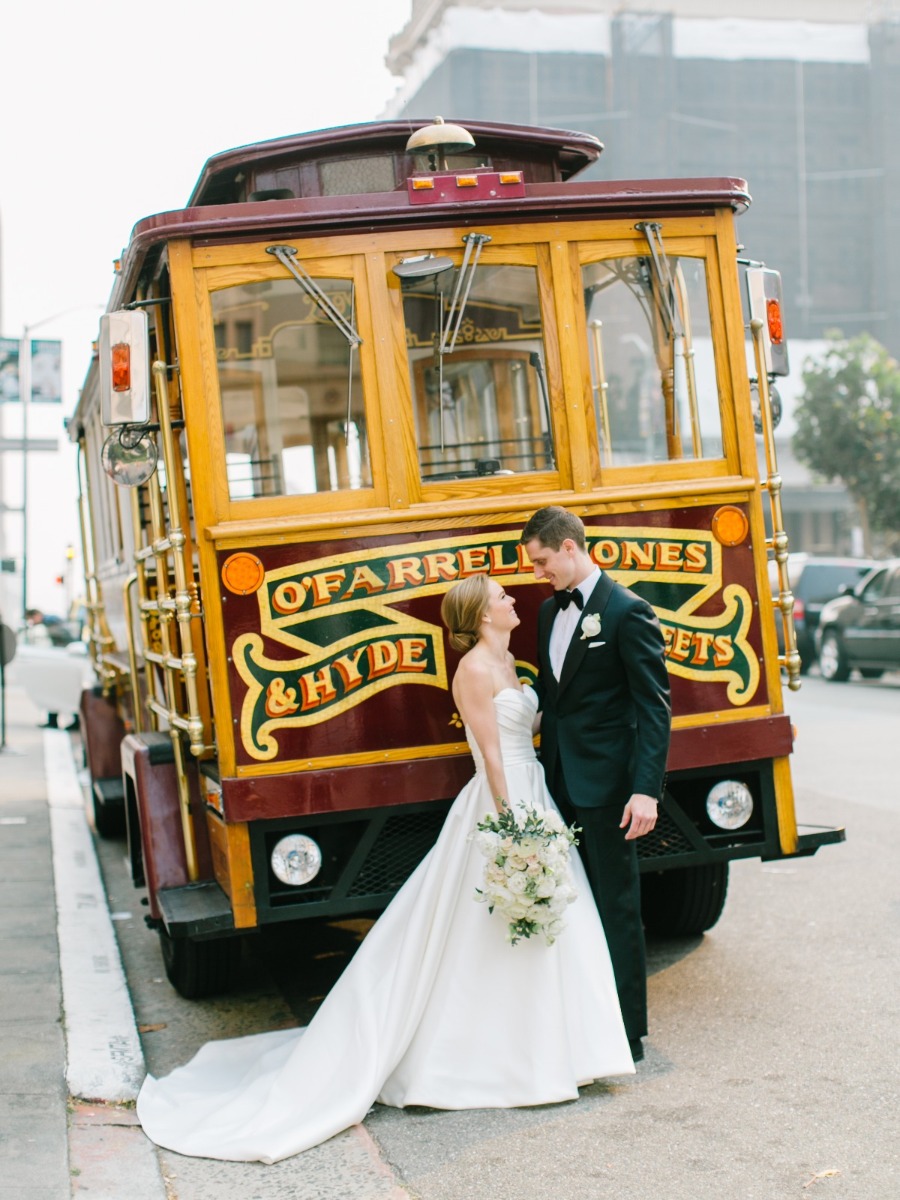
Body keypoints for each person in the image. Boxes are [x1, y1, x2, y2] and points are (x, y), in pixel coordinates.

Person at [136, 574, 634, 1164]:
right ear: (480, 615)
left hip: (535, 792)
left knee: (546, 921)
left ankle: (566, 1050)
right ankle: (494, 1062)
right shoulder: (474, 669)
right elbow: (492, 753)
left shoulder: (509, 661)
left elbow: (524, 730)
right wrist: (513, 826)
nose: (510, 600)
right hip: (507, 803)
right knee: (491, 927)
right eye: (500, 596)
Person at [520, 506, 671, 1062]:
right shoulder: (545, 616)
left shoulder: (628, 611)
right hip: (557, 783)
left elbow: (653, 708)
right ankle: (582, 1022)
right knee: (573, 908)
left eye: (541, 562)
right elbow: (556, 701)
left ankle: (628, 1034)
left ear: (567, 547)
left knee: (617, 904)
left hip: (610, 790)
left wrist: (645, 789)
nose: (538, 574)